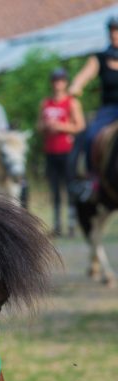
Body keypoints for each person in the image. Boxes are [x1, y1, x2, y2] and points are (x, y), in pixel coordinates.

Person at [37, 68, 85, 237]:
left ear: (65, 82)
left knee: (70, 186)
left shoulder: (72, 102)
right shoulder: (45, 103)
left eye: (61, 80)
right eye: (55, 80)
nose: (58, 83)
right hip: (51, 151)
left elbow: (80, 125)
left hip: (67, 150)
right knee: (55, 188)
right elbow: (39, 125)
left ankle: (71, 224)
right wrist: (46, 125)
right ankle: (57, 224)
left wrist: (61, 126)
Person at [69, 16, 118, 178]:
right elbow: (84, 76)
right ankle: (93, 179)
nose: (114, 34)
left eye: (117, 31)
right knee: (91, 136)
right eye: (112, 31)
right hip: (109, 110)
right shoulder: (100, 58)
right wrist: (76, 86)